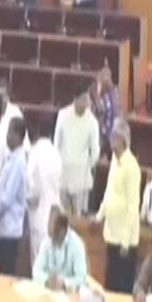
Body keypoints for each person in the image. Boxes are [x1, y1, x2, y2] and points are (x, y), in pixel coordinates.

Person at [94, 117, 141, 294]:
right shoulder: (114, 160)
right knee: (110, 285)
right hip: (112, 234)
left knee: (122, 288)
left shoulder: (132, 167)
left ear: (122, 139)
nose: (110, 139)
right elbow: (109, 191)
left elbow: (133, 206)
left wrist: (125, 242)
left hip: (124, 241)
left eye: (114, 136)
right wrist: (99, 216)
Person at [0, 117, 28, 276]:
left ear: (18, 136)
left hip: (9, 229)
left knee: (5, 275)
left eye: (10, 132)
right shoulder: (10, 158)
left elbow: (6, 199)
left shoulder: (19, 163)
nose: (7, 136)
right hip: (2, 228)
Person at [54, 83, 100, 217]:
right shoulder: (63, 115)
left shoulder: (92, 122)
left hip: (81, 176)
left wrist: (87, 166)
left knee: (78, 216)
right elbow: (56, 142)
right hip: (63, 171)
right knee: (62, 213)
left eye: (88, 99)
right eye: (83, 99)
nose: (86, 103)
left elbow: (95, 151)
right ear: (75, 99)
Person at [27, 117, 62, 263]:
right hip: (54, 212)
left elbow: (30, 179)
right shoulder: (56, 153)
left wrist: (30, 198)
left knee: (37, 258)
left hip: (39, 211)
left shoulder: (35, 152)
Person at [32, 206, 88, 291]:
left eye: (55, 234)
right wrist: (47, 281)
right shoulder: (47, 240)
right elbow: (36, 270)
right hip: (48, 291)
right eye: (50, 234)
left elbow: (81, 278)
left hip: (69, 292)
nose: (51, 239)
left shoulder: (77, 244)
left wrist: (64, 283)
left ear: (64, 230)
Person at [90, 64, 120, 155]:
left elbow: (116, 112)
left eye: (107, 76)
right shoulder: (93, 92)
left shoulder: (114, 91)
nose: (106, 79)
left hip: (111, 132)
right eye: (102, 76)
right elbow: (94, 113)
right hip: (98, 133)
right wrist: (97, 95)